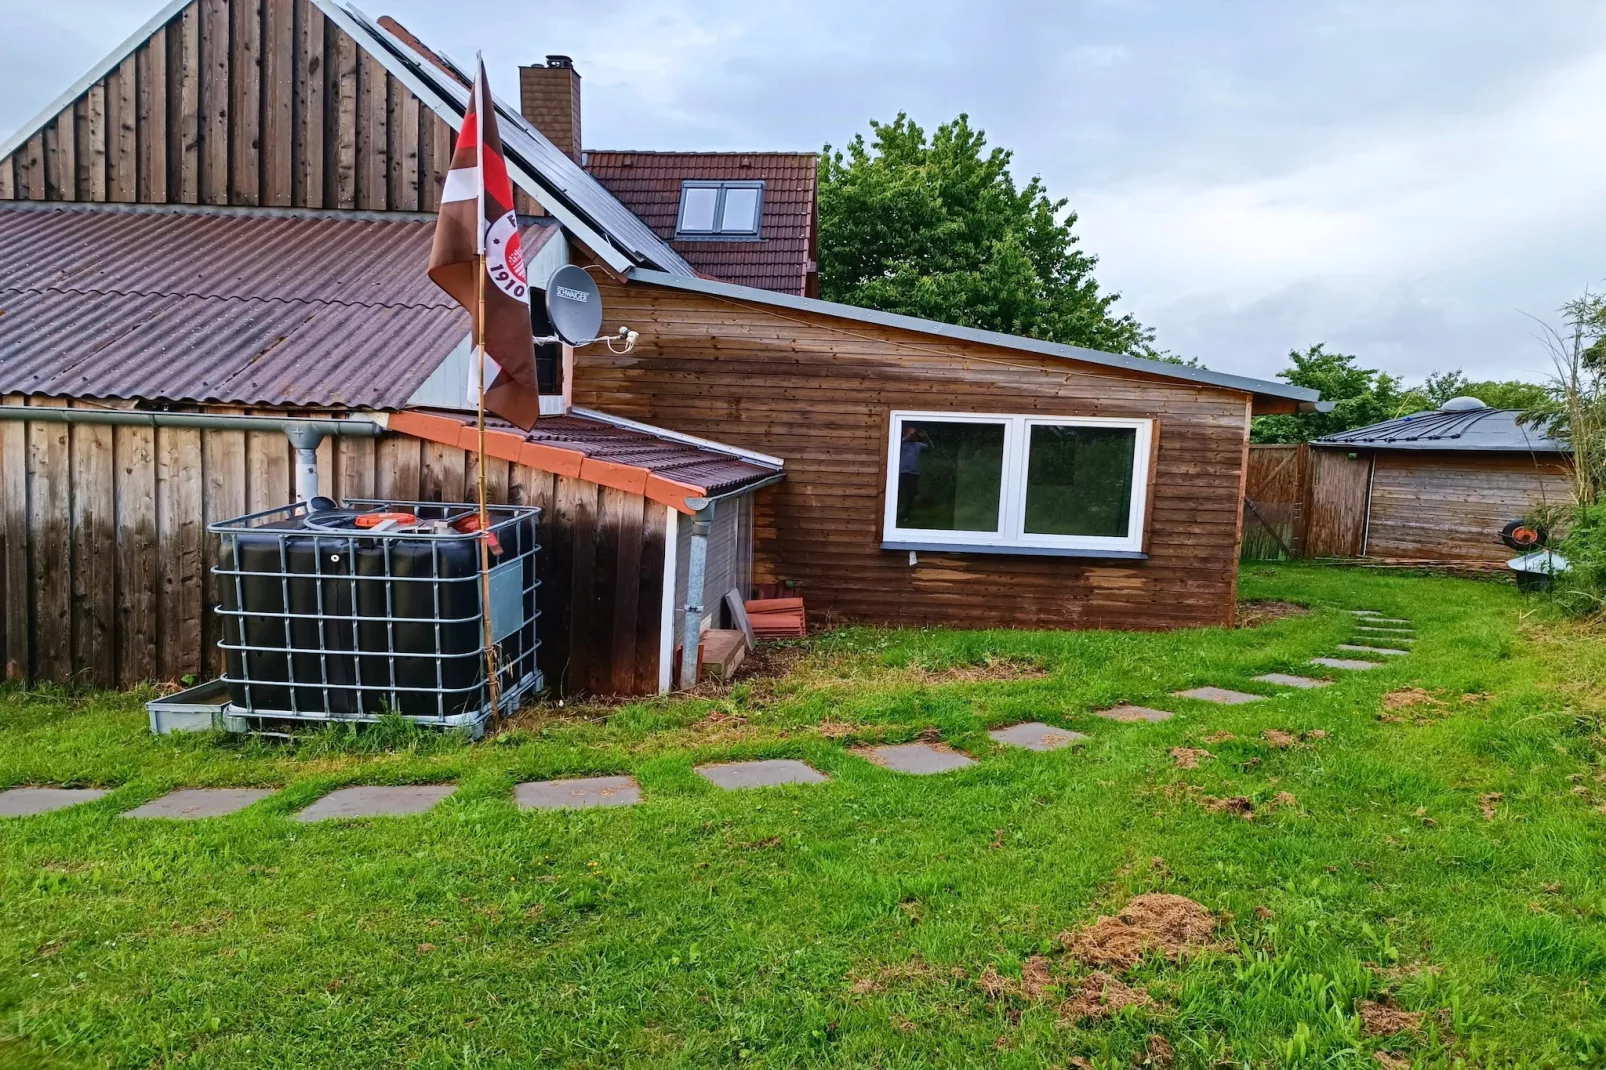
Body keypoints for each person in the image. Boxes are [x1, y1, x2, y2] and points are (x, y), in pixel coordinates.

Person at [897, 426, 930, 525]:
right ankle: (895, 514)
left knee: (910, 496)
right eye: (911, 433)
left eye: (914, 433)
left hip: (913, 474)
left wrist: (926, 438)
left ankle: (905, 515)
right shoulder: (901, 443)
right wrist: (907, 437)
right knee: (898, 494)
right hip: (902, 472)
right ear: (906, 433)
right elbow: (893, 445)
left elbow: (930, 448)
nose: (913, 435)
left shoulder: (918, 445)